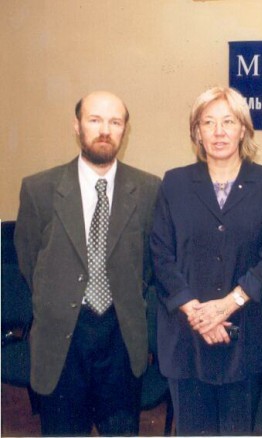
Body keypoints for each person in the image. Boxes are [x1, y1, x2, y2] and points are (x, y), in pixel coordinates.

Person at [14, 91, 160, 436]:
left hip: (121, 339)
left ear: (124, 130)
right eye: (95, 120)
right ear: (77, 126)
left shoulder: (149, 189)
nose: (105, 130)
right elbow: (29, 260)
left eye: (115, 122)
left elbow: (149, 263)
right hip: (62, 340)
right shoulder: (39, 189)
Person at [150, 86, 262, 435]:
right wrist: (198, 313)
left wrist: (227, 306)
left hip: (244, 334)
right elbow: (161, 254)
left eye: (228, 121)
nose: (219, 131)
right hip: (186, 335)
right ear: (197, 132)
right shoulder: (174, 183)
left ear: (243, 129)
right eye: (208, 122)